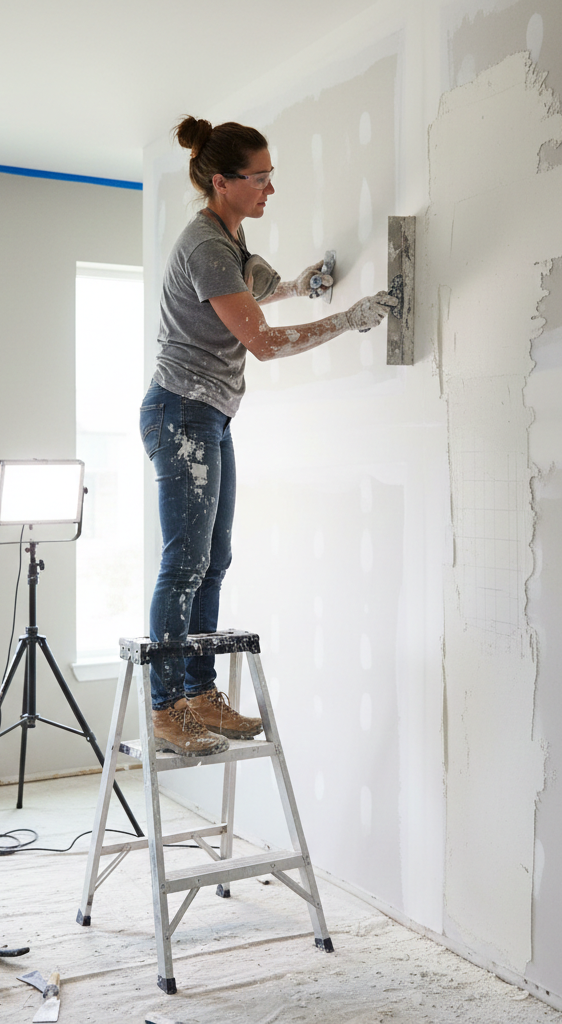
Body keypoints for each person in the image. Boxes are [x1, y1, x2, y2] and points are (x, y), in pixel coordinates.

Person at [140, 115, 397, 756]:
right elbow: (261, 341)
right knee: (185, 563)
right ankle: (166, 708)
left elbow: (247, 300)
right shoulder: (205, 245)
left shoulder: (231, 240)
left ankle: (200, 692)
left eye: (271, 177)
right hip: (181, 412)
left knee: (214, 560)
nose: (269, 189)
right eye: (260, 179)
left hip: (212, 415)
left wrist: (296, 286)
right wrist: (348, 319)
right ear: (222, 181)